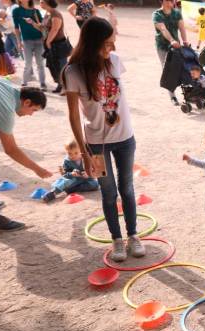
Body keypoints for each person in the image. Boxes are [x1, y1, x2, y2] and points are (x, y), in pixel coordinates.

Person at [63, 17, 145, 262]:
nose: (112, 49)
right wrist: (85, 154)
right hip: (96, 143)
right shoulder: (73, 71)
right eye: (107, 44)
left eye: (113, 43)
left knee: (127, 189)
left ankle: (133, 235)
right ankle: (117, 240)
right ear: (93, 43)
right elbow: (74, 116)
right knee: (108, 193)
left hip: (125, 138)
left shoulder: (115, 62)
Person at [0, 78, 50, 233]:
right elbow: (10, 149)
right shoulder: (6, 107)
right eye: (33, 110)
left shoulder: (6, 86)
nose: (31, 115)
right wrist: (38, 169)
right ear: (27, 102)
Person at [153, 0, 189, 106]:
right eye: (170, 0)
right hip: (162, 46)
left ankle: (188, 94)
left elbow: (182, 28)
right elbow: (163, 29)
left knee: (181, 68)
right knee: (168, 70)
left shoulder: (177, 13)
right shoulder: (157, 14)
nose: (172, 1)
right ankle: (172, 96)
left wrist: (185, 40)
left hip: (176, 46)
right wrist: (171, 40)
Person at [36, 0, 68, 94]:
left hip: (58, 44)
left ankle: (65, 87)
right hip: (49, 44)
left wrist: (48, 41)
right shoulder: (47, 13)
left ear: (47, 3)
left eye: (42, 2)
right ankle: (60, 84)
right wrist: (32, 23)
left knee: (61, 66)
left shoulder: (55, 14)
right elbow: (43, 28)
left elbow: (55, 29)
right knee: (52, 65)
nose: (40, 3)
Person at [13, 0, 46, 89]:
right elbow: (16, 28)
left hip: (39, 40)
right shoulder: (16, 11)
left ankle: (42, 83)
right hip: (26, 41)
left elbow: (42, 27)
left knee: (40, 63)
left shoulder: (35, 11)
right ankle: (24, 82)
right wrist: (19, 42)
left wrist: (32, 22)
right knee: (28, 63)